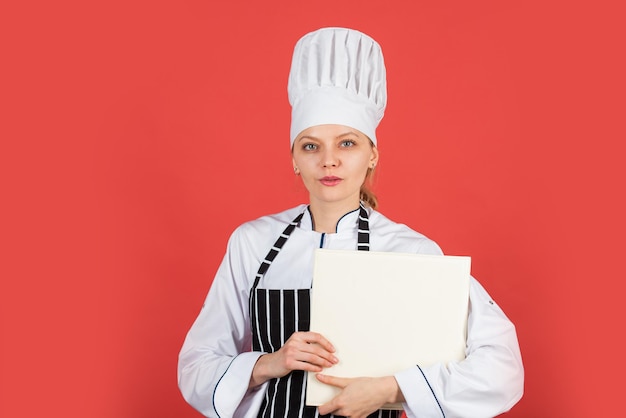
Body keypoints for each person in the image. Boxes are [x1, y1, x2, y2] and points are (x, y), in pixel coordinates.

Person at [178, 27, 524, 418]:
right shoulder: (252, 243)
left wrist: (392, 388)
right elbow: (196, 364)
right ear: (294, 158)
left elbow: (502, 367)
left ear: (372, 155)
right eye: (311, 146)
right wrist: (267, 364)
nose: (329, 161)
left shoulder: (410, 251)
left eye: (347, 143)